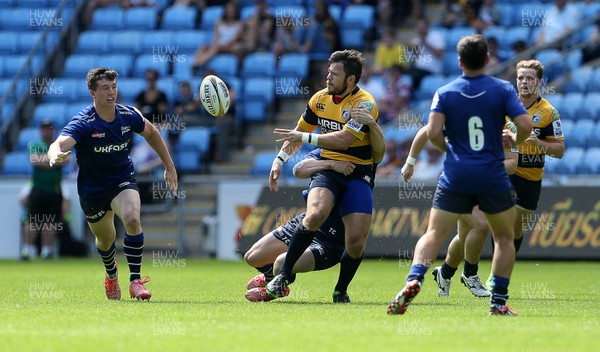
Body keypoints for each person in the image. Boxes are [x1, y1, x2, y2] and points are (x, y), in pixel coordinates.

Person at [386, 34, 532, 316]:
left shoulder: (445, 92)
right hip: (491, 172)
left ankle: (414, 279)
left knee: (434, 234)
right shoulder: (502, 89)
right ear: (487, 59)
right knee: (503, 238)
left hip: (456, 173)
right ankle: (498, 303)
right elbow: (524, 123)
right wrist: (513, 139)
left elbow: (432, 132)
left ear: (460, 61)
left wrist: (449, 147)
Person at [47, 68, 178, 301]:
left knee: (132, 218)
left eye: (114, 87)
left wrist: (169, 166)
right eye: (105, 88)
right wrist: (54, 155)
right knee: (106, 240)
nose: (111, 92)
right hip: (93, 189)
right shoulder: (84, 122)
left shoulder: (128, 115)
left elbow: (152, 133)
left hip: (122, 179)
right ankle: (111, 274)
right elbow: (58, 143)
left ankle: (135, 281)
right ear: (92, 93)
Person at [266, 49, 382, 303]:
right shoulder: (319, 99)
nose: (328, 77)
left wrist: (305, 138)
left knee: (356, 241)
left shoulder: (364, 103)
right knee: (316, 212)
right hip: (328, 166)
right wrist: (279, 160)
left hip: (358, 171)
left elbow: (344, 139)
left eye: (334, 74)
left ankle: (340, 290)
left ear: (350, 80)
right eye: (328, 72)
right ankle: (283, 276)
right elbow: (297, 134)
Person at [246, 108, 386, 303]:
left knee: (280, 263)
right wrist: (329, 164)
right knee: (252, 257)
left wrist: (371, 123)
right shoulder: (325, 153)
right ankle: (272, 279)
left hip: (328, 242)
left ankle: (281, 282)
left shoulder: (361, 161)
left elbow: (379, 152)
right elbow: (299, 169)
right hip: (305, 224)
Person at [401, 119, 519, 298]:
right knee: (480, 225)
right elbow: (427, 130)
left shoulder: (507, 125)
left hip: (483, 186)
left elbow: (512, 164)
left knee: (465, 237)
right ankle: (469, 274)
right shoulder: (461, 110)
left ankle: (444, 274)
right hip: (455, 182)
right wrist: (410, 162)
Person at [485, 59, 565, 288]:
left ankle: (501, 268)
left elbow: (559, 151)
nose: (524, 82)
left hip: (531, 178)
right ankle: (493, 274)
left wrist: (540, 144)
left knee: (517, 229)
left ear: (539, 82)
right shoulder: (505, 107)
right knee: (503, 224)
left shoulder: (549, 112)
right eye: (521, 78)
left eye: (530, 78)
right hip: (506, 172)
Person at [21, 120, 66, 260]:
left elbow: (66, 160)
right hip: (38, 190)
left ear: (53, 130)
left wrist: (45, 160)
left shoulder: (59, 144)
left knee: (50, 221)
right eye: (44, 128)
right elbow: (34, 160)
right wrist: (53, 160)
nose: (47, 131)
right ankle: (27, 250)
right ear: (41, 130)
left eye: (49, 128)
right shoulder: (35, 145)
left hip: (54, 190)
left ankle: (47, 251)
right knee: (32, 221)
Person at [192, 1, 245, 72]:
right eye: (229, 11)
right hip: (219, 44)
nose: (230, 13)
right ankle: (195, 63)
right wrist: (215, 44)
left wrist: (224, 45)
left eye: (232, 11)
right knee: (203, 47)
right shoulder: (219, 22)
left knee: (217, 48)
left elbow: (236, 38)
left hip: (231, 45)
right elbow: (216, 36)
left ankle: (198, 64)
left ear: (236, 12)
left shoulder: (240, 23)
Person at [407, 17, 445, 90]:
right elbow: (414, 60)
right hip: (419, 68)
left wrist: (425, 43)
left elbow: (440, 54)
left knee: (413, 75)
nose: (420, 29)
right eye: (419, 28)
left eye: (422, 27)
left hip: (432, 69)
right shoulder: (416, 40)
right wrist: (414, 51)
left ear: (427, 27)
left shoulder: (436, 36)